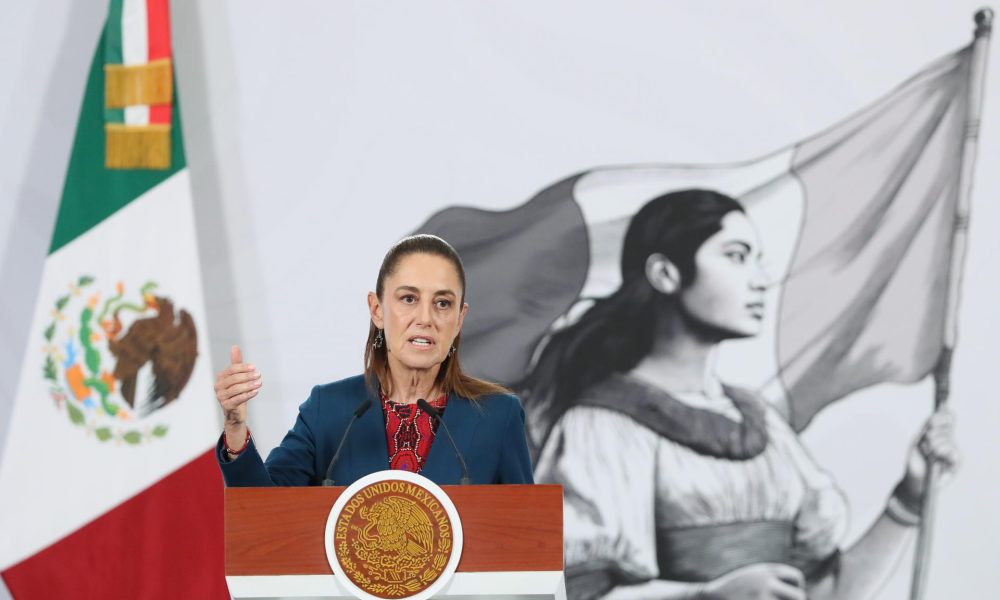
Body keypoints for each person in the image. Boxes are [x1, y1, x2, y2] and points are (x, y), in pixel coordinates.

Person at [526, 190, 959, 600]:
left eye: (758, 260)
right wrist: (706, 597)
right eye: (736, 256)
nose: (760, 280)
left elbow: (824, 591)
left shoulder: (761, 422)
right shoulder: (602, 425)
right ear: (665, 273)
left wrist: (909, 497)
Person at [214, 234, 534, 486]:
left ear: (460, 319)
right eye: (408, 299)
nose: (425, 318)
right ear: (377, 310)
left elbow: (526, 541)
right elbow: (264, 513)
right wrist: (235, 428)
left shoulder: (498, 416)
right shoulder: (327, 410)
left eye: (443, 303)